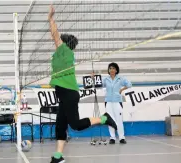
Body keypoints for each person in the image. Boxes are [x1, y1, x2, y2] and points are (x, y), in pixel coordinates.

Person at [47, 5, 118, 163]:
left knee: (76, 125)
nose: (56, 43)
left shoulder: (64, 51)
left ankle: (104, 119)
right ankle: (58, 157)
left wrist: (51, 19)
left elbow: (55, 35)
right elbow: (56, 38)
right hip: (65, 95)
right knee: (60, 126)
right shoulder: (62, 55)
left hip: (69, 94)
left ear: (65, 44)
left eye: (60, 41)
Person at [102, 62, 132, 144]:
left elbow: (129, 84)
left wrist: (122, 89)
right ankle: (112, 138)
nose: (112, 70)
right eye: (110, 68)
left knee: (119, 120)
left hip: (117, 102)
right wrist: (93, 78)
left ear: (116, 70)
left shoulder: (120, 79)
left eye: (113, 68)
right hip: (108, 102)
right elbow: (98, 84)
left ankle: (122, 138)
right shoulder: (105, 79)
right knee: (110, 120)